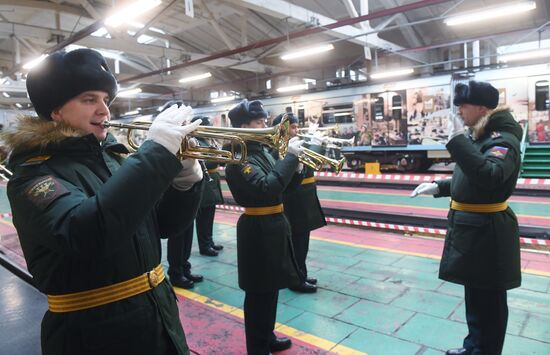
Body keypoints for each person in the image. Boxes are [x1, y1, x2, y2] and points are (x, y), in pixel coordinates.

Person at [2, 48, 204, 355]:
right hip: (94, 333)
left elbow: (162, 226)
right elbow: (85, 232)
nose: (104, 111)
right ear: (55, 111)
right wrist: (155, 155)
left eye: (105, 100)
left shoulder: (113, 158)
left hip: (158, 316)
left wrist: (184, 182)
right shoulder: (33, 175)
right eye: (88, 99)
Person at [411, 80, 522, 355]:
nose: (459, 111)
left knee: (490, 303)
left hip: (489, 233)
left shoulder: (502, 140)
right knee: (475, 296)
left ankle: (486, 351)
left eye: (464, 105)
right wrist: (440, 187)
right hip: (476, 231)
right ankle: (474, 347)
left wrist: (457, 142)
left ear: (482, 108)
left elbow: (490, 176)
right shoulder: (483, 137)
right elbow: (470, 178)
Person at [225, 99, 304, 354]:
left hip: (274, 224)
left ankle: (267, 336)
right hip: (257, 228)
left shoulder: (263, 152)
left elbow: (282, 189)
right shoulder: (238, 157)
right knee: (259, 293)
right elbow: (265, 189)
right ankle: (257, 348)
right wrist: (289, 159)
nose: (266, 127)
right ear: (244, 126)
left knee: (271, 289)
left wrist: (297, 170)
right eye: (260, 123)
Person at [271, 113, 326, 293]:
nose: (296, 131)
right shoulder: (279, 148)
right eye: (292, 128)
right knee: (297, 243)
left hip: (304, 199)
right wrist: (316, 144)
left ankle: (301, 273)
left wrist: (318, 145)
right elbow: (310, 163)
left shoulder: (293, 145)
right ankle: (296, 279)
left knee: (302, 242)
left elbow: (315, 164)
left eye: (296, 127)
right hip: (294, 200)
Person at [192, 115, 224, 256]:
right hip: (205, 182)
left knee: (210, 215)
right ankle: (204, 246)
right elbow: (205, 162)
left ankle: (209, 241)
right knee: (204, 216)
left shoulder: (206, 140)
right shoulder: (196, 142)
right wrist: (217, 157)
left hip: (212, 181)